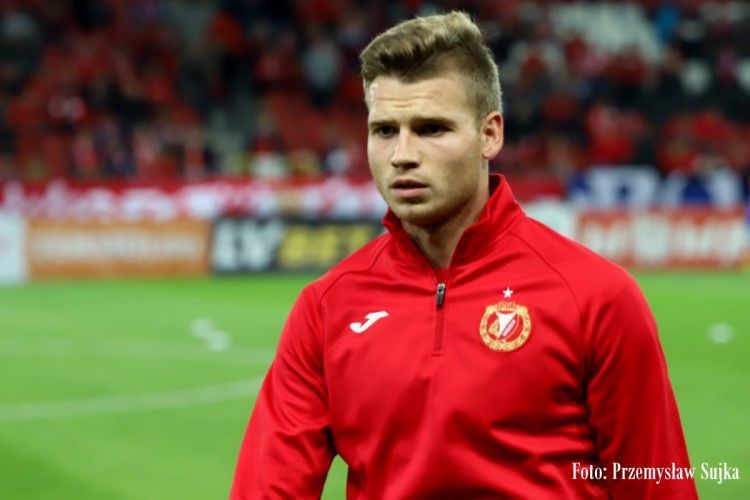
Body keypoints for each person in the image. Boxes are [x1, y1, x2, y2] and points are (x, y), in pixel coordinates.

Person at [231, 12, 697, 499]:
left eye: (431, 129)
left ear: (490, 134)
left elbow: (656, 485)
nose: (402, 155)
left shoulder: (596, 297)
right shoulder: (326, 309)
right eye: (385, 131)